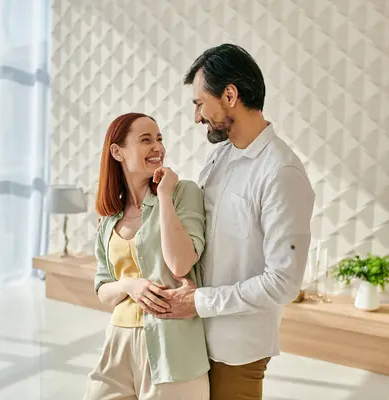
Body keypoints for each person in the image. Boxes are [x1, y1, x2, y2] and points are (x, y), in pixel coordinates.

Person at [152, 44, 316, 400]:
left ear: (229, 95)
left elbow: (283, 283)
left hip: (236, 350)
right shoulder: (219, 158)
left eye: (199, 103)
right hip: (195, 342)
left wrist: (199, 302)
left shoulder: (281, 172)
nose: (196, 116)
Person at [84, 112, 210, 400]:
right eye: (145, 140)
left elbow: (180, 262)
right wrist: (130, 285)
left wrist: (164, 196)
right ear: (117, 152)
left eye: (159, 139)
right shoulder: (109, 219)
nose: (158, 147)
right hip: (118, 343)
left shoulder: (182, 193)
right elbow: (103, 288)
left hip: (172, 348)